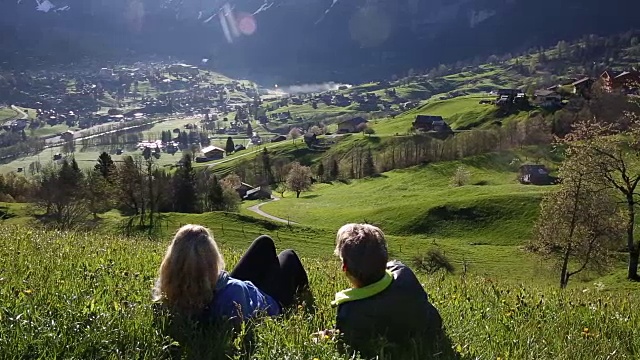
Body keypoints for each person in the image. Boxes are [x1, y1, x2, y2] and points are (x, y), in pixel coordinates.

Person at [320, 223, 443, 357]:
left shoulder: (349, 311)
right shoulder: (404, 273)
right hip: (429, 334)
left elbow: (347, 346)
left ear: (345, 267)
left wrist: (327, 336)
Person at [152, 224, 310, 323]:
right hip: (268, 302)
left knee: (264, 242)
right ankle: (306, 294)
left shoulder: (167, 290)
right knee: (289, 256)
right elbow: (245, 323)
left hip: (225, 291)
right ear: (211, 262)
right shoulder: (233, 291)